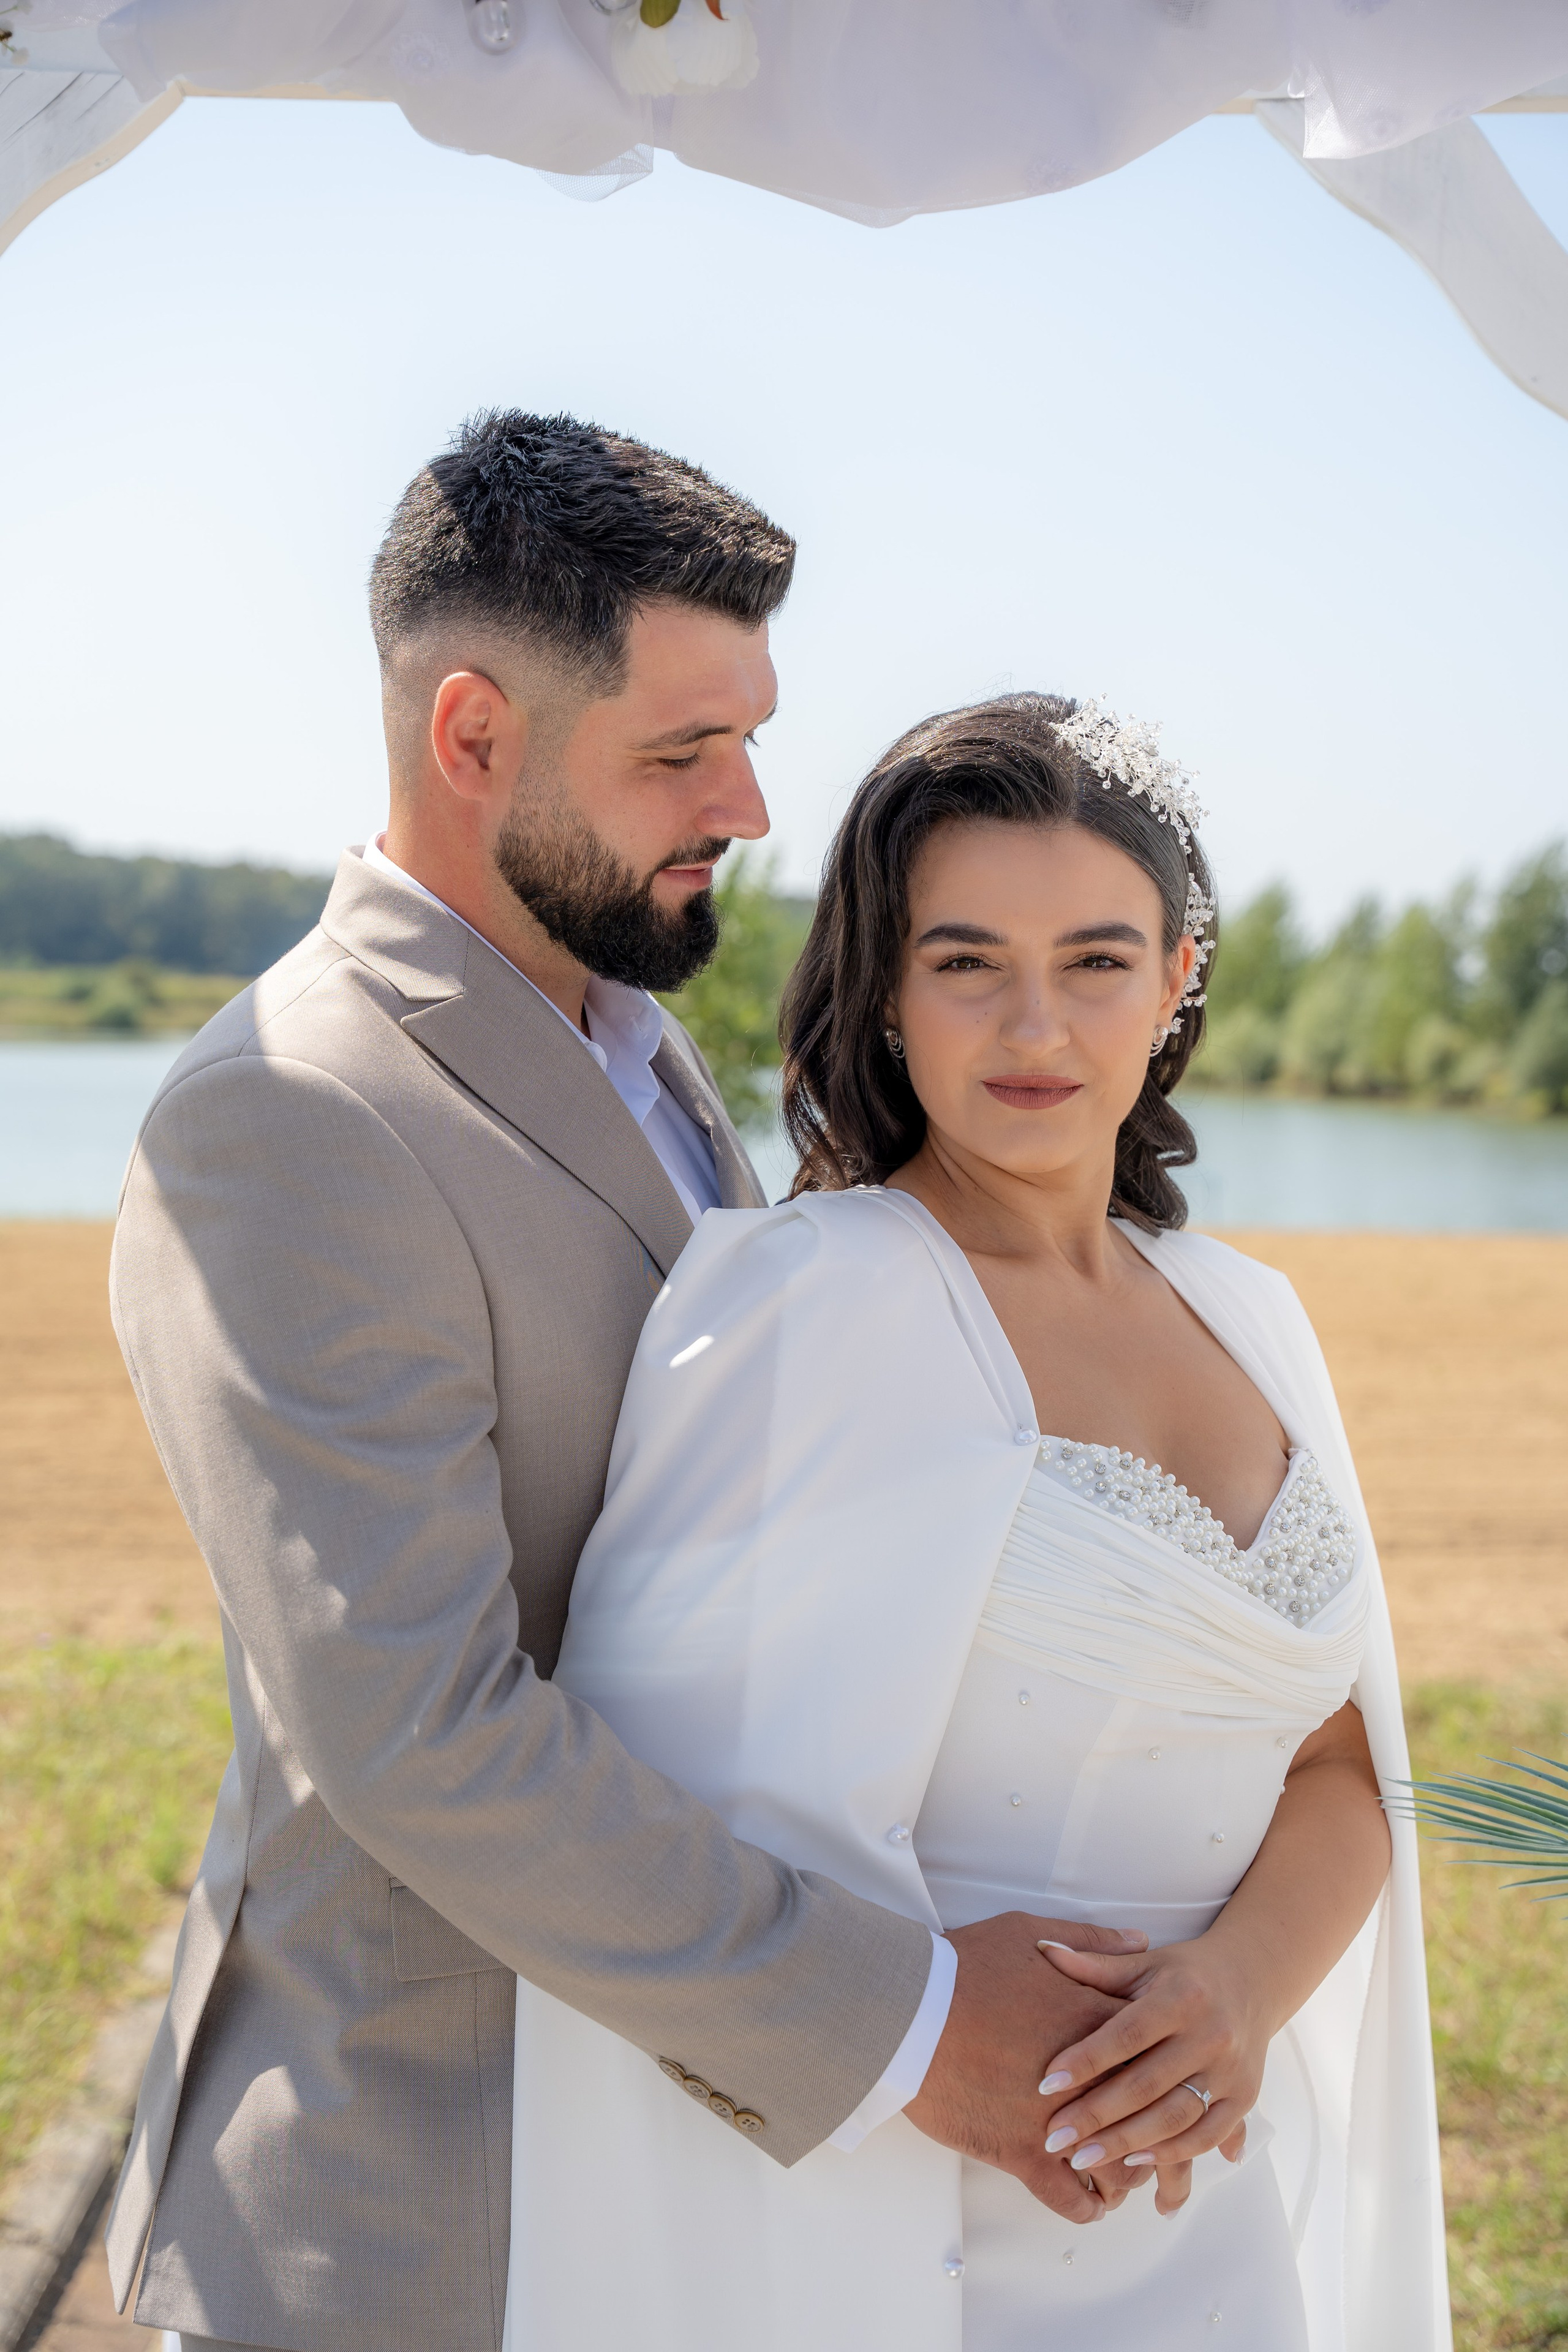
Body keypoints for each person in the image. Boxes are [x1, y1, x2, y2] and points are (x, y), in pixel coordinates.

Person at [105, 421, 1146, 2352]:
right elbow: (418, 1732)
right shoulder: (294, 1117)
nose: (752, 803)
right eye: (682, 752)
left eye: (751, 734)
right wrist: (915, 2021)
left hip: (676, 2171)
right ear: (475, 735)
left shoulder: (641, 1048)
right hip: (423, 2204)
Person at [503, 693, 1452, 2351]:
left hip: (1216, 2212)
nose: (1037, 1025)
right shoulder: (811, 1305)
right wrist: (932, 2048)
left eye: (1096, 960)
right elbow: (663, 1829)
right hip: (921, 2223)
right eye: (965, 961)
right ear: (883, 989)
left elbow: (1338, 1762)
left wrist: (1235, 1998)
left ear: (1179, 980)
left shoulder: (1252, 1317)